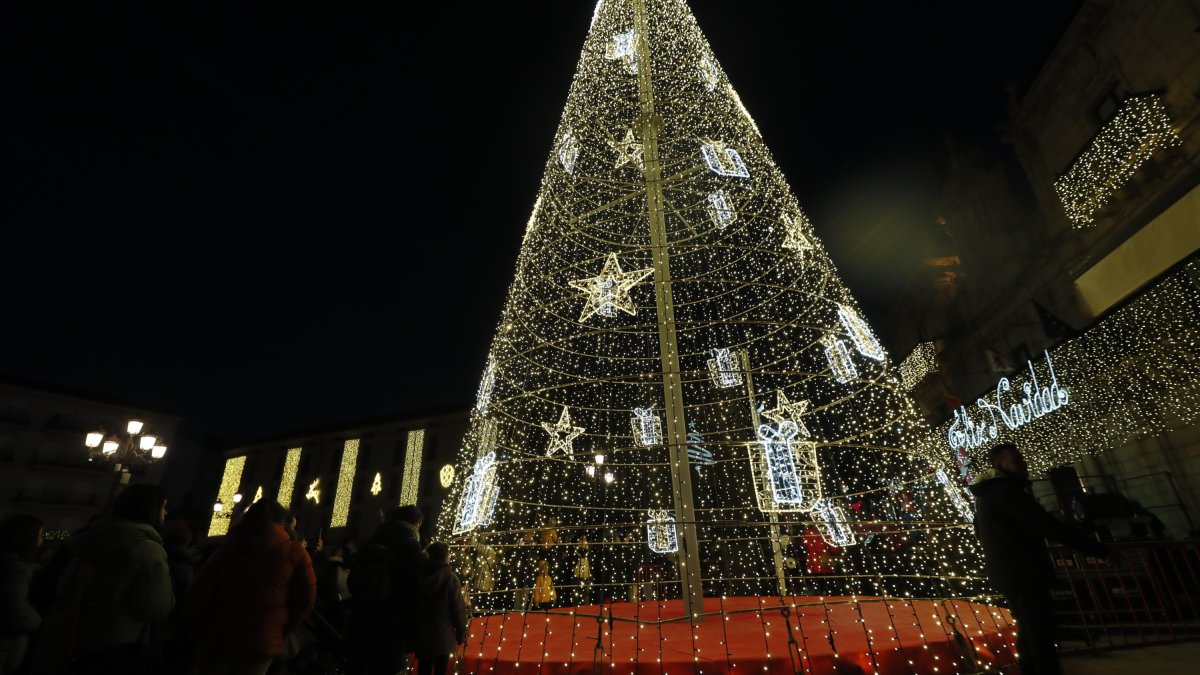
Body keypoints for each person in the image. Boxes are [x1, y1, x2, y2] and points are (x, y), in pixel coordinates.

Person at [969, 443, 1108, 675]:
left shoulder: (989, 495)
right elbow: (1046, 525)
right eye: (1016, 459)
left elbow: (979, 531)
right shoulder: (1006, 492)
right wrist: (1097, 549)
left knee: (1030, 631)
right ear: (1000, 464)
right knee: (1040, 632)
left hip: (1010, 572)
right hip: (1023, 572)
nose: (1022, 463)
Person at [31, 484, 174, 675]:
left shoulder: (87, 539)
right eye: (163, 506)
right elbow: (154, 606)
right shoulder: (147, 550)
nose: (166, 512)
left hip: (66, 637)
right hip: (114, 643)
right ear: (150, 510)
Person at [183, 499, 316, 675]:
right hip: (263, 636)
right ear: (282, 523)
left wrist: (198, 627)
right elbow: (306, 598)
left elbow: (199, 591)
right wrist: (283, 628)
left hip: (221, 633)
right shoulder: (295, 552)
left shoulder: (228, 549)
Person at [345, 505, 425, 675]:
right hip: (391, 625)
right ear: (416, 523)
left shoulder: (374, 541)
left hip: (361, 620)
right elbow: (415, 592)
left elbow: (353, 579)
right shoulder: (410, 545)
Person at [0, 514, 44, 675]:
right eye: (39, 535)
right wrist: (37, 622)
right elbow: (13, 604)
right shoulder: (16, 568)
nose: (41, 540)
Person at [414, 543, 466, 675]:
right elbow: (457, 609)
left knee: (423, 668)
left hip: (423, 632)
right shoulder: (450, 578)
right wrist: (461, 633)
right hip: (443, 635)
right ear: (444, 557)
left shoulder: (419, 576)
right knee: (440, 670)